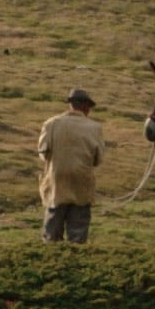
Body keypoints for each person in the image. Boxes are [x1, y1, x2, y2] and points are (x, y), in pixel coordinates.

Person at [36, 89, 105, 244]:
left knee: (52, 231)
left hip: (56, 183)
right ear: (86, 106)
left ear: (70, 105)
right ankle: (75, 259)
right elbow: (98, 159)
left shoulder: (51, 124)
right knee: (78, 233)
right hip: (81, 183)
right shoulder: (95, 128)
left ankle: (51, 258)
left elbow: (42, 154)